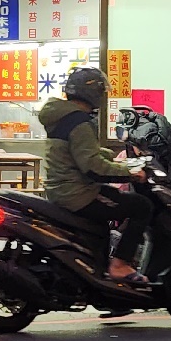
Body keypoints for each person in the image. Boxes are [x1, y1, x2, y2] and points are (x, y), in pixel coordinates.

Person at [40, 67, 152, 285]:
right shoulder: (79, 122)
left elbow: (75, 152)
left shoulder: (62, 116)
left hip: (62, 189)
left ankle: (100, 278)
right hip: (78, 193)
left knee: (104, 223)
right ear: (92, 93)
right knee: (141, 206)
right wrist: (129, 172)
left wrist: (109, 157)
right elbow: (93, 168)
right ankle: (120, 266)